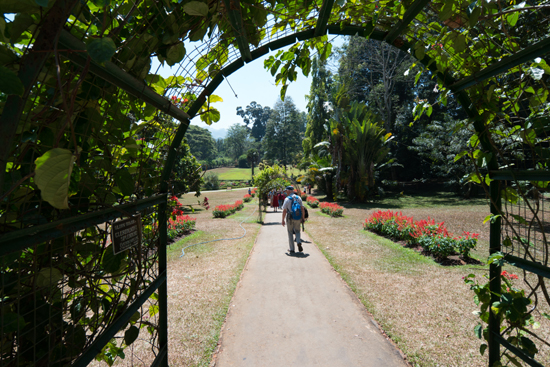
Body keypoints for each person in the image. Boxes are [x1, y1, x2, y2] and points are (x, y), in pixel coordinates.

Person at [281, 185, 305, 254]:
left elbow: (284, 210)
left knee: (290, 232)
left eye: (286, 191)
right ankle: (298, 241)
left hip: (289, 217)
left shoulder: (287, 199)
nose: (286, 192)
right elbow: (302, 208)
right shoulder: (298, 198)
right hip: (297, 217)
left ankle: (292, 249)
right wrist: (302, 218)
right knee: (297, 231)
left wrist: (282, 220)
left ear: (289, 191)